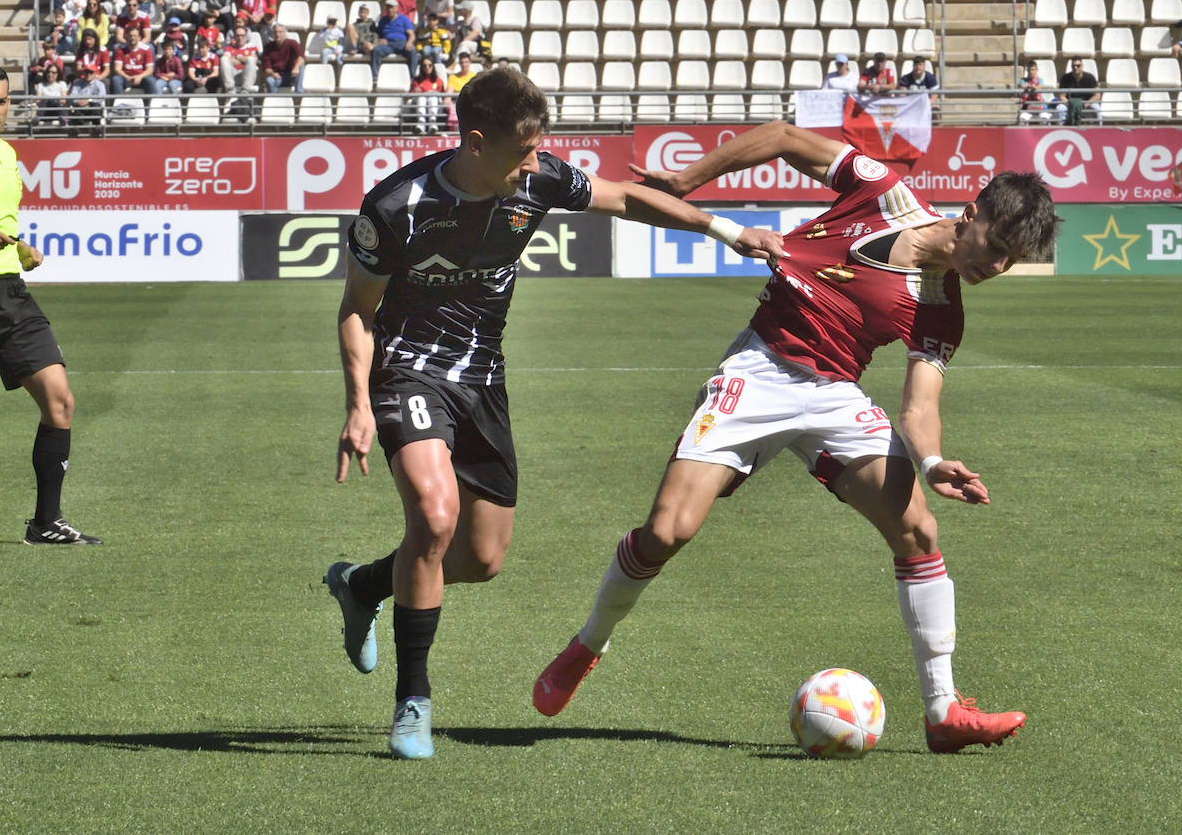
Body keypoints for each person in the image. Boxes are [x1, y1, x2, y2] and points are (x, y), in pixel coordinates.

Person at [530, 121, 1058, 756]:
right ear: (969, 212)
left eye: (1008, 260)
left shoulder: (941, 304)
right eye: (992, 245)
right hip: (759, 370)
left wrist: (936, 460)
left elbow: (919, 408)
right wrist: (690, 178)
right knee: (667, 531)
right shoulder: (878, 191)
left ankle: (943, 710)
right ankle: (589, 643)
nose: (993, 266)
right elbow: (783, 136)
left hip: (835, 395)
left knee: (918, 529)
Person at [323, 67, 786, 761]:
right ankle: (412, 704)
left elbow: (627, 197)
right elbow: (359, 309)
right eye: (525, 149)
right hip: (406, 370)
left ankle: (362, 583)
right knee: (434, 513)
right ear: (476, 143)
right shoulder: (397, 206)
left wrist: (724, 229)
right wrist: (359, 404)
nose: (538, 161)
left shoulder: (536, 180)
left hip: (483, 379)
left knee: (479, 558)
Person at [0, 69, 100, 545]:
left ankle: (46, 523)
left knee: (59, 401)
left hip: (7, 293)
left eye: (2, 101)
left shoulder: (6, 155)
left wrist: (20, 247)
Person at [370, 0, 416, 83]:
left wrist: (409, 43)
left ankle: (412, 78)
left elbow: (412, 34)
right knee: (376, 50)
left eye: (391, 7)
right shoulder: (383, 20)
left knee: (412, 51)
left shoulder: (404, 19)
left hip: (401, 43)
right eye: (387, 8)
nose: (389, 10)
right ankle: (374, 78)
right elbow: (379, 34)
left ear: (396, 8)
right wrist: (380, 40)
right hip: (388, 44)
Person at [1054, 58, 1100, 125]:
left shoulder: (1090, 77)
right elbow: (1061, 96)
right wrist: (1071, 105)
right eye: (1073, 66)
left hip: (1086, 103)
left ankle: (1099, 131)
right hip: (1070, 103)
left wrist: (1084, 105)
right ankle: (1061, 130)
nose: (1075, 67)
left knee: (1096, 108)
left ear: (1082, 66)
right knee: (1059, 108)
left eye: (1078, 65)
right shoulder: (1065, 78)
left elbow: (1097, 95)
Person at [261, 24, 304, 94]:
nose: (278, 34)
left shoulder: (292, 43)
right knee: (269, 80)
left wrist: (296, 67)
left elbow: (301, 57)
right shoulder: (268, 47)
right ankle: (274, 100)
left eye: (280, 32)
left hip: (291, 76)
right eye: (275, 32)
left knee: (301, 65)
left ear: (284, 32)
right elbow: (266, 67)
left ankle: (298, 93)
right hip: (277, 77)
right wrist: (273, 74)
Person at [110, 25, 154, 94]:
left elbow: (150, 70)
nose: (132, 38)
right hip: (125, 77)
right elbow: (117, 69)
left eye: (135, 36)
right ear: (126, 37)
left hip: (141, 78)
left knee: (151, 80)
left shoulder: (146, 49)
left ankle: (151, 104)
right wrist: (127, 77)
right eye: (130, 36)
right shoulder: (120, 49)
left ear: (139, 37)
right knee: (116, 79)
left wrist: (139, 77)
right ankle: (118, 103)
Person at [408, 55, 446, 133]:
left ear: (433, 66)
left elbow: (442, 95)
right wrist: (415, 91)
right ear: (421, 67)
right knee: (421, 97)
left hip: (435, 103)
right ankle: (421, 123)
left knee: (433, 96)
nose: (427, 68)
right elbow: (410, 95)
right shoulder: (416, 80)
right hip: (418, 102)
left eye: (430, 65)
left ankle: (432, 123)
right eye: (424, 66)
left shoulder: (438, 80)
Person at [220, 25, 259, 94]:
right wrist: (244, 60)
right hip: (233, 73)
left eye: (242, 35)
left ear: (246, 37)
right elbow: (226, 59)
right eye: (237, 35)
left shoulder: (252, 48)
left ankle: (246, 89)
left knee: (251, 59)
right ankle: (230, 89)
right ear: (234, 37)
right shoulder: (229, 47)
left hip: (247, 73)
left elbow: (254, 60)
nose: (240, 38)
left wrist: (237, 57)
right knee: (223, 59)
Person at [67, 65, 107, 134]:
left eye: (91, 72)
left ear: (95, 74)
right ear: (83, 73)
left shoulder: (100, 84)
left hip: (93, 107)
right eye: (86, 71)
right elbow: (72, 96)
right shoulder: (77, 83)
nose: (88, 74)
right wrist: (79, 101)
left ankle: (96, 128)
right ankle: (78, 130)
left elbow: (101, 97)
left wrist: (88, 101)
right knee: (76, 108)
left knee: (96, 106)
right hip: (81, 106)